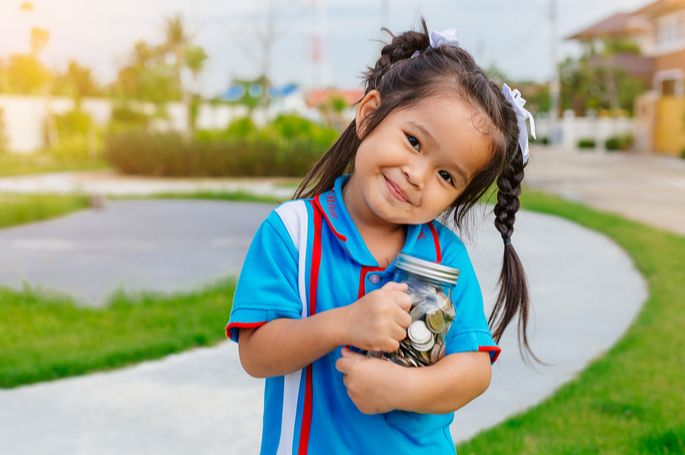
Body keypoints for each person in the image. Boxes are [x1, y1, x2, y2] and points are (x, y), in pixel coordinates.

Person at [225, 19, 538, 454]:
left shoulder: (445, 257)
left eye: (446, 176)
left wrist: (398, 387)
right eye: (413, 141)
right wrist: (344, 323)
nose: (417, 175)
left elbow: (473, 370)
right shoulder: (292, 233)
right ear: (369, 113)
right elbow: (255, 354)